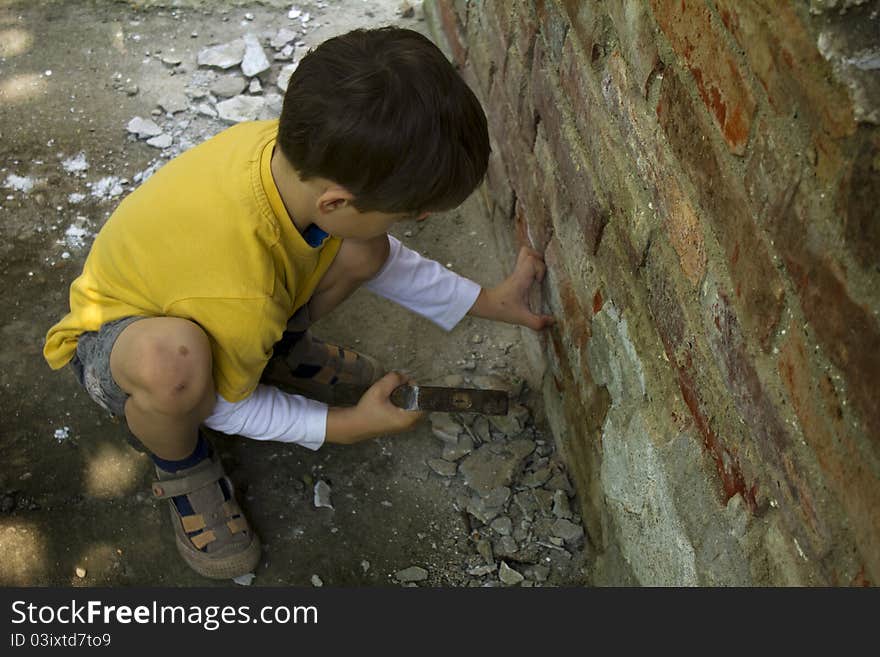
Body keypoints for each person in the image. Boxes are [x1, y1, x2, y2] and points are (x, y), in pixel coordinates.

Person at [43, 26, 554, 579]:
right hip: (113, 345)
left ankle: (273, 351)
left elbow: (380, 255)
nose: (418, 222)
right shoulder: (243, 286)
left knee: (364, 247)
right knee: (176, 371)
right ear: (336, 201)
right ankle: (183, 465)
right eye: (411, 214)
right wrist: (347, 425)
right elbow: (225, 407)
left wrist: (490, 301)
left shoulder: (292, 159)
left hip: (209, 299)